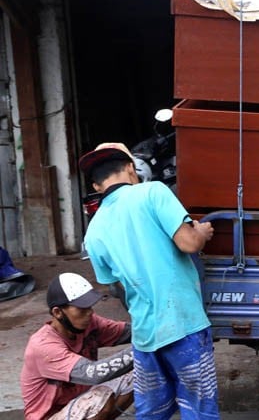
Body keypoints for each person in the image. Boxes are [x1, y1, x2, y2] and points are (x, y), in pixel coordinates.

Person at [78, 142, 219, 419]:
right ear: (131, 168)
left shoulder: (93, 232)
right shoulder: (153, 192)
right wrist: (201, 231)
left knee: (152, 412)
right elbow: (189, 243)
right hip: (184, 324)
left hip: (145, 336)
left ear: (96, 186)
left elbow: (112, 283)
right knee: (199, 410)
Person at [20, 272, 134, 420]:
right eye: (82, 309)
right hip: (51, 416)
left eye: (90, 307)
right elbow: (93, 373)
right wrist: (141, 350)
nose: (90, 313)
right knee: (97, 400)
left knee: (143, 371)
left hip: (78, 403)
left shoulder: (90, 323)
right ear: (58, 312)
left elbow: (130, 332)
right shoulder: (42, 346)